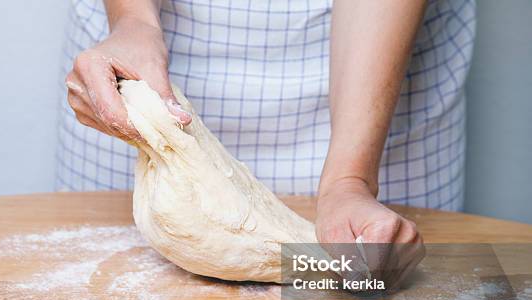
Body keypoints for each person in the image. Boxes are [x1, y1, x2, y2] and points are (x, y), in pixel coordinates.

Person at [59, 0, 475, 256]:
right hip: (139, 76)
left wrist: (350, 180)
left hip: (372, 73)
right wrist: (133, 21)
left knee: (369, 264)